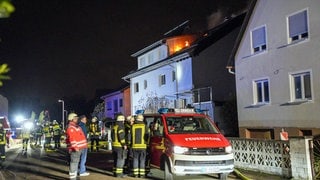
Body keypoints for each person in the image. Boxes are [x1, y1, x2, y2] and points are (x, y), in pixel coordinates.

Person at [65, 113, 88, 179]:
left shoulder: (76, 126)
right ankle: (72, 177)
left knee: (76, 162)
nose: (77, 119)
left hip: (80, 147)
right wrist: (75, 147)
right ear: (72, 119)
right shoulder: (71, 127)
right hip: (76, 148)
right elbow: (72, 139)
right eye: (76, 118)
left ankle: (74, 176)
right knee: (74, 163)